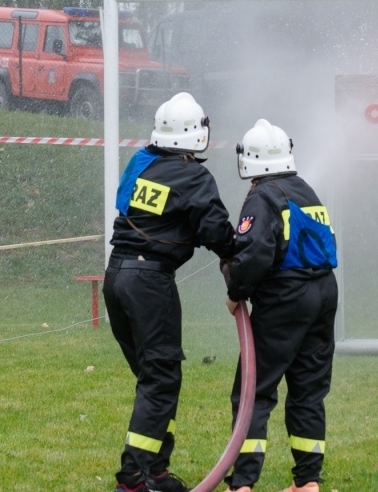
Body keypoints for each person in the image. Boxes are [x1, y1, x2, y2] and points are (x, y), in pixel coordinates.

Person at [103, 92, 236, 492]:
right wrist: (239, 256)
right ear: (197, 133)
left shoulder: (143, 164)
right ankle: (134, 478)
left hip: (118, 276)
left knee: (155, 379)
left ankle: (156, 470)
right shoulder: (192, 175)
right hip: (149, 281)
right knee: (160, 379)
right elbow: (215, 230)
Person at [221, 119, 338, 492]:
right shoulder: (305, 190)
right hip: (324, 293)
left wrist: (236, 291)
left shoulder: (263, 196)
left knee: (253, 390)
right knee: (308, 389)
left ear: (248, 158)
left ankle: (242, 483)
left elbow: (254, 254)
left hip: (286, 298)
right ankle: (308, 481)